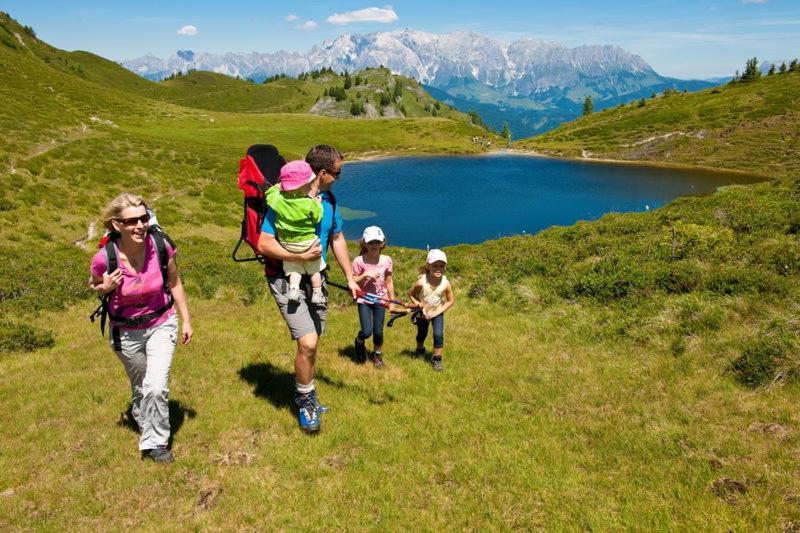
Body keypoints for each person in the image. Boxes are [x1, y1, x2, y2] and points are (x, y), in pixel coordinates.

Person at [257, 145, 359, 434]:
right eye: (336, 173)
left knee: (313, 342)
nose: (339, 178)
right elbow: (264, 243)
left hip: (316, 278)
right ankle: (306, 402)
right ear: (322, 173)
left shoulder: (329, 201)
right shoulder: (286, 201)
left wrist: (350, 278)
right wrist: (299, 258)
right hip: (285, 278)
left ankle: (307, 391)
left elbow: (337, 238)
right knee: (308, 342)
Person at [89, 193, 193, 463]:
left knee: (156, 386)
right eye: (132, 221)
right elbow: (94, 285)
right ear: (116, 225)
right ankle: (142, 414)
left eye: (144, 218)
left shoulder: (160, 246)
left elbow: (175, 282)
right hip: (125, 331)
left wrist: (186, 319)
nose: (139, 225)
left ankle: (155, 444)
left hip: (161, 322)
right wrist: (106, 287)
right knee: (141, 386)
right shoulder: (104, 258)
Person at [265, 160, 325, 305]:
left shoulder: (278, 201)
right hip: (308, 243)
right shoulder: (308, 203)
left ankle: (293, 290)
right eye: (308, 183)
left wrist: (281, 185)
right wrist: (318, 203)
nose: (310, 185)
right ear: (301, 186)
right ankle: (317, 292)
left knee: (294, 269)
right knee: (314, 269)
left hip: (288, 244)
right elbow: (317, 217)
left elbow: (269, 193)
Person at [352, 226, 395, 368]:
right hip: (364, 299)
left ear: (383, 243)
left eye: (377, 242)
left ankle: (377, 354)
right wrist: (365, 275)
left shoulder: (387, 260)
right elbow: (352, 281)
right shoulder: (359, 261)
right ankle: (359, 342)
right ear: (364, 243)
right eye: (371, 242)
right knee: (367, 331)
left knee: (378, 331)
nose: (374, 245)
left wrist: (392, 301)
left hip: (380, 300)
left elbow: (389, 282)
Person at [408, 249, 455, 371]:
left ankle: (437, 360)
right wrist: (419, 305)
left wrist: (437, 312)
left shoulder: (445, 282)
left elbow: (450, 300)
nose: (438, 268)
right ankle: (420, 349)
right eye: (435, 265)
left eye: (441, 265)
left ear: (445, 266)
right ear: (428, 266)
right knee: (422, 334)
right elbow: (411, 294)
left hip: (437, 312)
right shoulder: (421, 282)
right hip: (422, 313)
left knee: (438, 335)